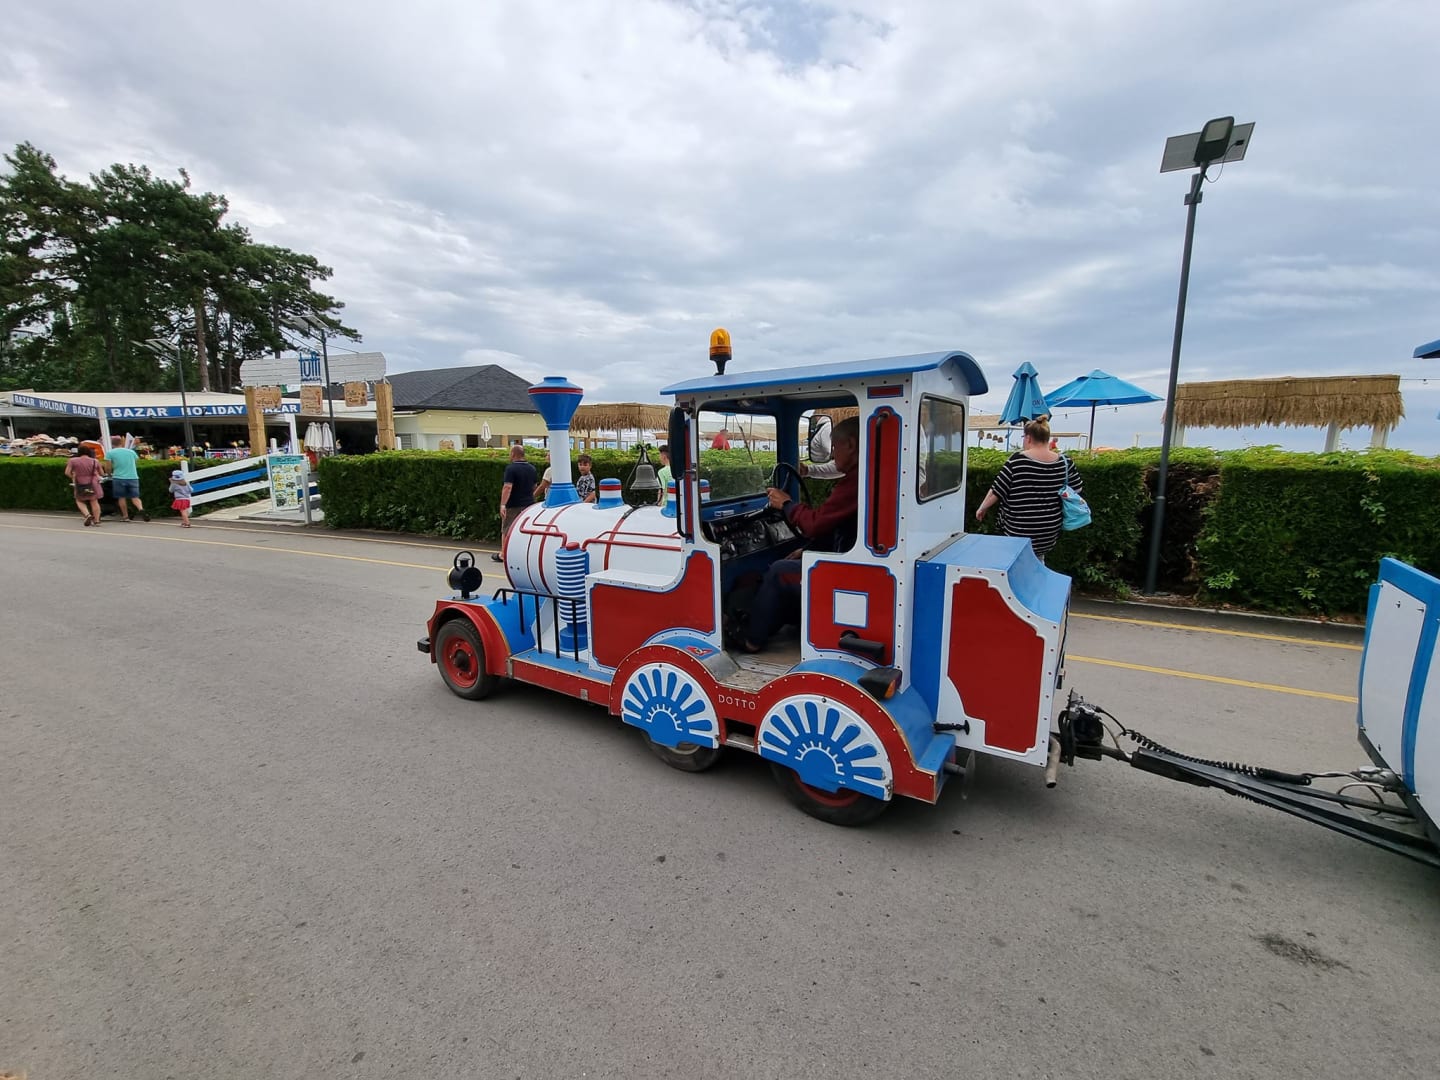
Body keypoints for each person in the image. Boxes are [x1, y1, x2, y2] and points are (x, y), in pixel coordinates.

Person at [738, 418, 860, 653]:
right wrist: (807, 550)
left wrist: (786, 504)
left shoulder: (855, 483)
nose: (832, 455)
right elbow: (843, 529)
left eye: (835, 447)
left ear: (851, 445)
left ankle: (752, 640)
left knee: (779, 572)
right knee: (791, 565)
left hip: (850, 573)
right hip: (852, 561)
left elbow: (814, 524)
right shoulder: (863, 477)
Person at [973, 418, 1082, 562]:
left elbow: (997, 490)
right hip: (1048, 533)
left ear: (1029, 438)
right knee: (1037, 559)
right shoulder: (1065, 462)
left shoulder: (1017, 460)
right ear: (1047, 438)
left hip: (1018, 532)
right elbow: (1077, 489)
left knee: (1016, 561)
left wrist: (982, 508)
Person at [495, 443, 537, 561]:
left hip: (514, 504)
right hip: (528, 504)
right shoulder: (532, 468)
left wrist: (503, 504)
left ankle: (504, 554)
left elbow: (507, 487)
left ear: (513, 454)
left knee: (507, 529)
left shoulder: (511, 469)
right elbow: (534, 486)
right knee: (525, 528)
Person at [105, 436, 149, 521]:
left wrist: (109, 474)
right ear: (121, 443)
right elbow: (135, 462)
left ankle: (125, 516)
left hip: (118, 477)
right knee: (135, 497)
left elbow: (108, 467)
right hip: (133, 477)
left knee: (121, 497)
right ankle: (141, 509)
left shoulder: (110, 453)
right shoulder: (131, 452)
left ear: (112, 444)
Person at [64, 445, 104, 527]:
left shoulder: (73, 460)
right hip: (93, 483)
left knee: (79, 500)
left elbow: (67, 472)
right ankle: (97, 521)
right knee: (94, 501)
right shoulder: (95, 461)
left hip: (80, 482)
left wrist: (73, 477)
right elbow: (102, 473)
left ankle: (87, 515)